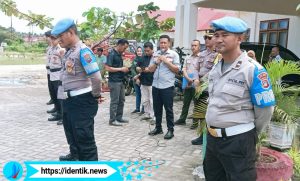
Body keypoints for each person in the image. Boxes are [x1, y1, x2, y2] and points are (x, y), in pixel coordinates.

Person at [203, 16, 275, 181]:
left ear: (240, 38)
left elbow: (265, 110)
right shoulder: (216, 67)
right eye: (216, 35)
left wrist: (251, 134)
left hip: (239, 142)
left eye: (225, 35)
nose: (218, 39)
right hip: (213, 140)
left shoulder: (253, 70)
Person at [51, 18, 102, 161]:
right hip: (68, 100)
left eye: (61, 36)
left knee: (85, 140)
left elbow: (97, 78)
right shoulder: (69, 51)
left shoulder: (84, 52)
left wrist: (96, 95)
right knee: (71, 133)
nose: (58, 39)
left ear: (71, 32)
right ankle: (75, 158)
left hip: (82, 101)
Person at [146, 35, 180, 140]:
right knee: (157, 109)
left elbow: (177, 70)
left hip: (167, 86)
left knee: (168, 109)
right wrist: (157, 62)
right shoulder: (155, 54)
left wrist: (166, 61)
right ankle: (158, 128)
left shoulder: (174, 54)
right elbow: (150, 69)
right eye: (161, 43)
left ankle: (170, 130)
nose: (163, 45)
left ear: (169, 43)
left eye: (165, 43)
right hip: (156, 86)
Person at [191, 30, 221, 145]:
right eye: (205, 38)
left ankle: (207, 135)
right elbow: (195, 68)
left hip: (208, 88)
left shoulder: (218, 54)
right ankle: (201, 134)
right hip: (199, 86)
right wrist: (195, 79)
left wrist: (201, 80)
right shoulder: (202, 54)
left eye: (209, 38)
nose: (206, 40)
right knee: (199, 111)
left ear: (214, 39)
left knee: (208, 113)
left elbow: (214, 71)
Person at [174, 40, 201, 126]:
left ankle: (195, 122)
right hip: (187, 82)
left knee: (196, 103)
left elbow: (202, 71)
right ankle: (182, 119)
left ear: (199, 47)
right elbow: (184, 69)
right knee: (186, 102)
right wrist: (188, 79)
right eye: (192, 45)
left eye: (195, 45)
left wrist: (194, 80)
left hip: (197, 84)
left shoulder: (201, 58)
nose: (193, 47)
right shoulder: (187, 57)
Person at [105, 39, 130, 126]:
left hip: (121, 80)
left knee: (121, 100)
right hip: (114, 81)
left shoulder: (119, 54)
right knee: (115, 101)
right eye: (125, 47)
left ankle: (119, 118)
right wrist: (120, 69)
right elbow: (107, 68)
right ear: (120, 45)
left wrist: (125, 67)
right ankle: (112, 120)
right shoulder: (111, 54)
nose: (125, 49)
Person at [47, 35, 65, 122]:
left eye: (54, 39)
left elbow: (64, 63)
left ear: (58, 39)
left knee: (60, 97)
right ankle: (58, 113)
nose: (52, 41)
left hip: (58, 75)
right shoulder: (52, 49)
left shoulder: (61, 50)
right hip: (52, 74)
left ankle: (63, 116)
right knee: (54, 95)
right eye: (52, 39)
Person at [136, 42, 155, 122]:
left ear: (152, 50)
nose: (146, 52)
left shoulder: (155, 58)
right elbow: (137, 66)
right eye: (145, 51)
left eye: (148, 51)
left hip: (152, 83)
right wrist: (138, 69)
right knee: (145, 100)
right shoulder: (142, 57)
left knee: (152, 101)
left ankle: (154, 116)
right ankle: (147, 114)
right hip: (143, 82)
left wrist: (149, 69)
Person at [131, 46, 144, 114]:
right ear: (136, 52)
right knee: (138, 94)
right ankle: (137, 108)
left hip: (143, 80)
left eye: (140, 51)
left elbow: (144, 70)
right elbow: (132, 69)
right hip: (135, 79)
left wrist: (138, 76)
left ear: (142, 51)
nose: (139, 52)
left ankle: (143, 109)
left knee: (144, 95)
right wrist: (136, 78)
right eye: (138, 51)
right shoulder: (134, 59)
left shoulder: (144, 59)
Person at [45, 30, 55, 107]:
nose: (46, 39)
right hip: (49, 70)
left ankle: (57, 107)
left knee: (56, 90)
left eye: (47, 37)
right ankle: (53, 100)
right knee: (51, 87)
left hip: (55, 72)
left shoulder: (58, 48)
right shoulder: (49, 48)